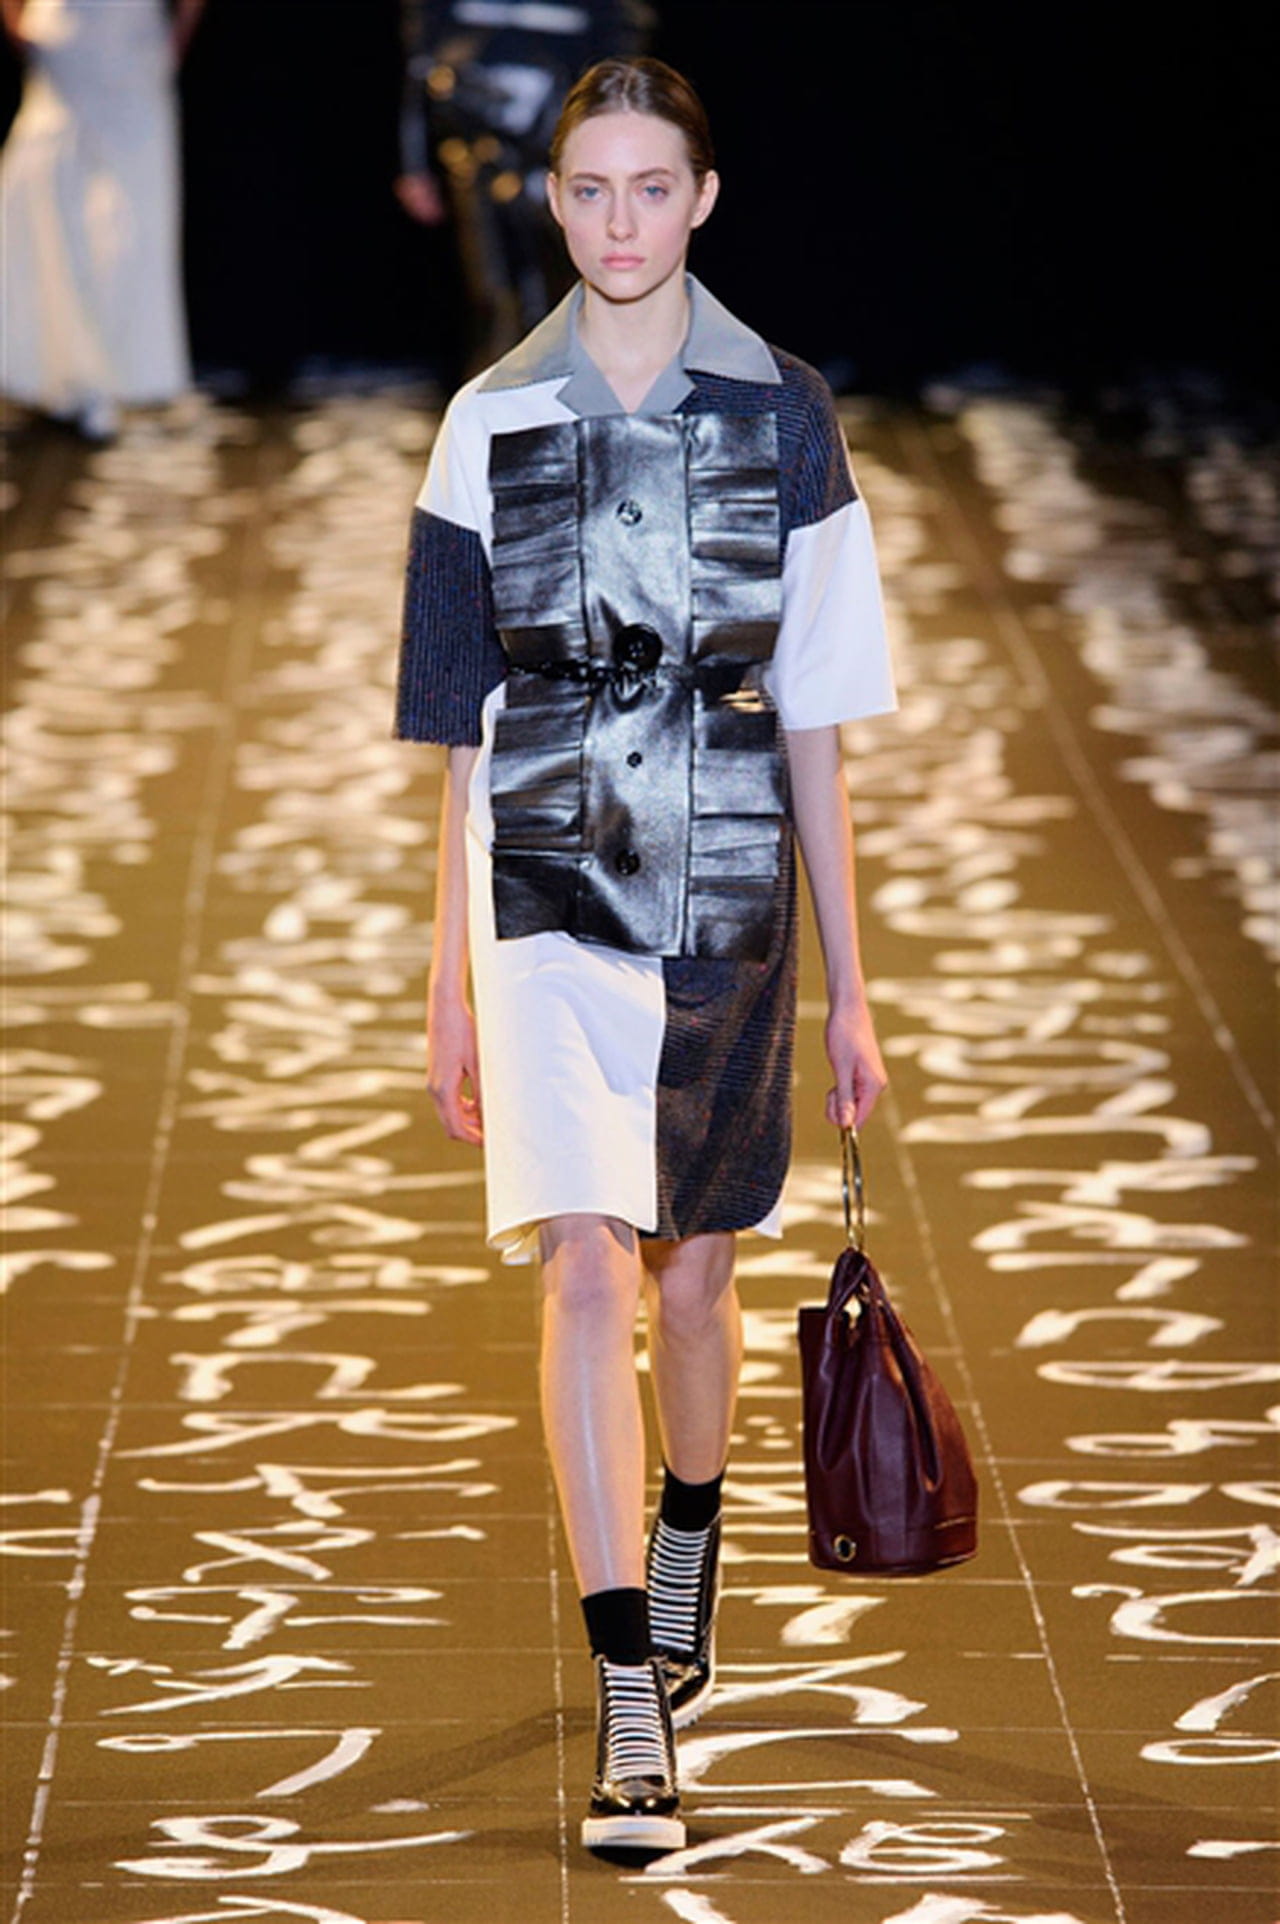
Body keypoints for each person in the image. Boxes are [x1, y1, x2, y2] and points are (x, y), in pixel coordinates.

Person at [394, 56, 895, 1854]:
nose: (620, 221)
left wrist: (855, 988)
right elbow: (458, 717)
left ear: (704, 199)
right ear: (552, 202)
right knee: (587, 1272)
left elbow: (818, 713)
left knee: (695, 1281)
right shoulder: (488, 419)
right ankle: (629, 1693)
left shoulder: (786, 410)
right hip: (539, 874)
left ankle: (690, 1521)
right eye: (589, 188)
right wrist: (446, 976)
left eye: (651, 187)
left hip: (727, 885)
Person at [396, 0, 650, 375]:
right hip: (478, 156)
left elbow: (626, 74)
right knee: (495, 291)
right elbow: (422, 69)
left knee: (572, 285)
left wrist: (625, 163)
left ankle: (576, 389)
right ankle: (498, 396)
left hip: (569, 155)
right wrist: (415, 165)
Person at [0, 0, 203, 441]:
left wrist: (175, 38)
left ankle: (112, 376)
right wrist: (15, 21)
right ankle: (63, 372)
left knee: (125, 222)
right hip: (66, 41)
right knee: (51, 208)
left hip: (129, 42)